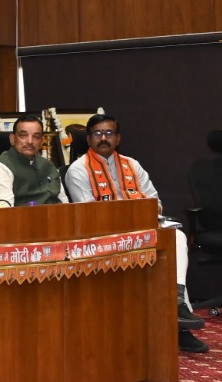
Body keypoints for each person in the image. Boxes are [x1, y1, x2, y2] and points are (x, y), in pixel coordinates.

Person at [62, 114, 206, 354]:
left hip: (141, 227)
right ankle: (178, 323)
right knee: (164, 251)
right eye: (97, 133)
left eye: (109, 133)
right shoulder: (77, 170)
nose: (103, 138)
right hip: (105, 234)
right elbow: (88, 213)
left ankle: (177, 304)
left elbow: (155, 202)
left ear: (118, 138)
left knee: (176, 238)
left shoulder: (132, 165)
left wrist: (143, 212)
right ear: (88, 139)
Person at [0, 115, 66, 207]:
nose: (30, 141)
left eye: (36, 136)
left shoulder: (48, 165)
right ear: (12, 139)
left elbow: (65, 203)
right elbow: (5, 212)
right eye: (23, 135)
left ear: (41, 142)